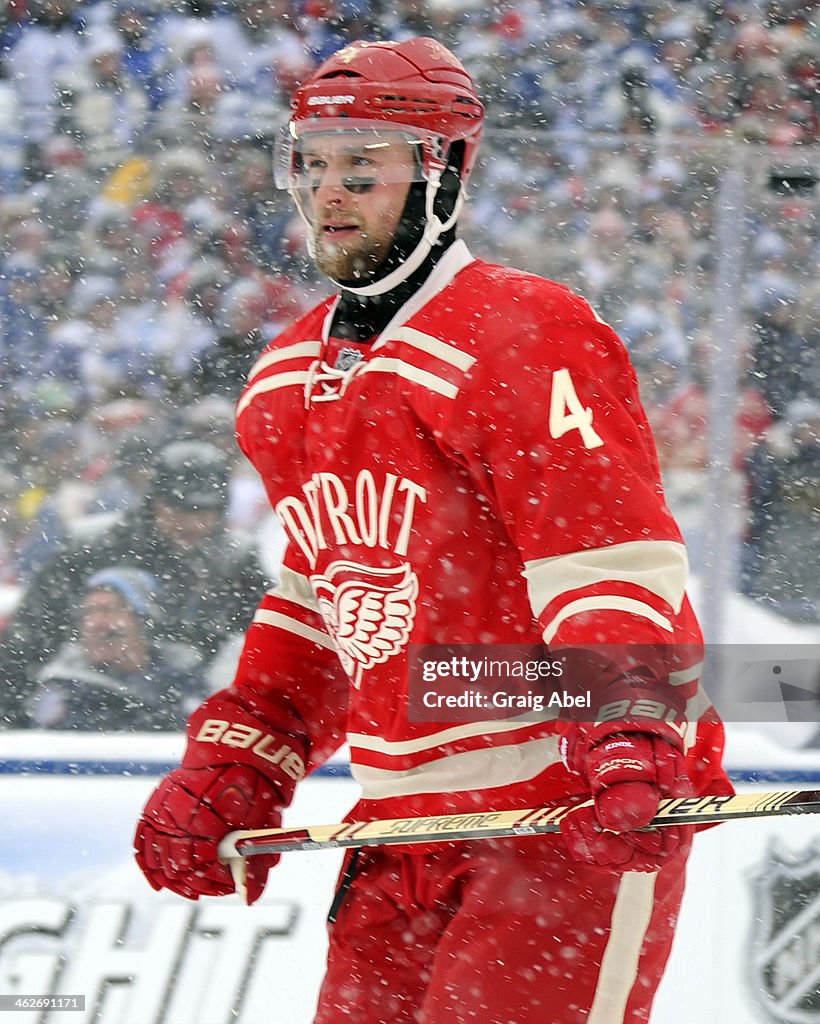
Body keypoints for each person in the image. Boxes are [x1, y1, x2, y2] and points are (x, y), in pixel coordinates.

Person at [133, 38, 731, 1024]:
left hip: (558, 810)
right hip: (395, 824)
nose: (330, 191)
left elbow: (605, 560)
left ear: (442, 171)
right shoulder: (284, 376)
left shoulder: (525, 332)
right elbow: (321, 600)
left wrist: (627, 725)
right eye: (313, 164)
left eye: (362, 168)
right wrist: (242, 760)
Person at [0, 438, 268, 725]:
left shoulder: (234, 559)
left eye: (204, 512)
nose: (192, 524)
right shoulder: (94, 545)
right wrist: (10, 715)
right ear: (154, 502)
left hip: (190, 707)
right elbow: (31, 634)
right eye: (178, 510)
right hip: (89, 700)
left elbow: (272, 636)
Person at [27, 566, 207, 730]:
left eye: (108, 610)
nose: (93, 624)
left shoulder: (183, 680)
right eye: (87, 613)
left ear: (143, 621)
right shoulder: (64, 689)